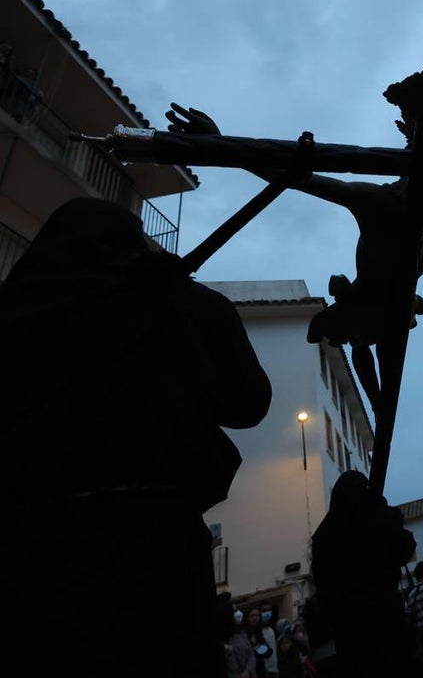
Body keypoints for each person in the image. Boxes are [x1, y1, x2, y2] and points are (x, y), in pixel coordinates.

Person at [2, 197, 272, 677]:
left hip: (23, 562)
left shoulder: (16, 314)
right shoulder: (174, 303)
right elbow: (249, 401)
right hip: (150, 555)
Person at [165, 94, 423, 412]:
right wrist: (220, 143)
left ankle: (382, 412)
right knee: (368, 355)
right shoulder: (381, 200)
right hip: (367, 302)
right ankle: (380, 410)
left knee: (382, 372)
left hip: (392, 307)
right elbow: (296, 178)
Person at [310, 470, 417, 678]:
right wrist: (382, 511)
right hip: (386, 628)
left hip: (348, 639)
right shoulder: (371, 523)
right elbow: (404, 546)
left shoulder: (323, 536)